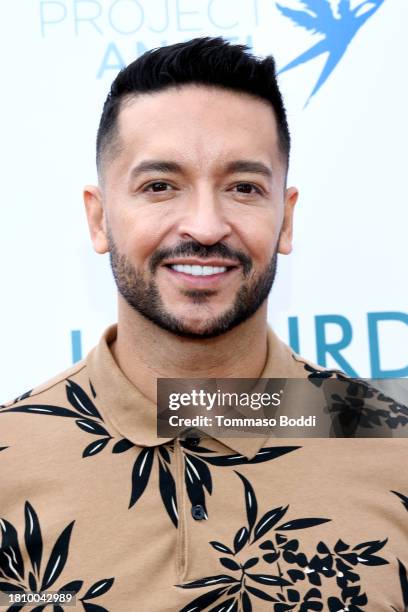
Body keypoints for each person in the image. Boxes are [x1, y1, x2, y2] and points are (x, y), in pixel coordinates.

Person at [0, 37, 407, 612]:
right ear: (99, 219)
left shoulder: (395, 448)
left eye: (243, 187)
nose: (206, 225)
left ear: (285, 219)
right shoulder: (8, 461)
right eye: (159, 186)